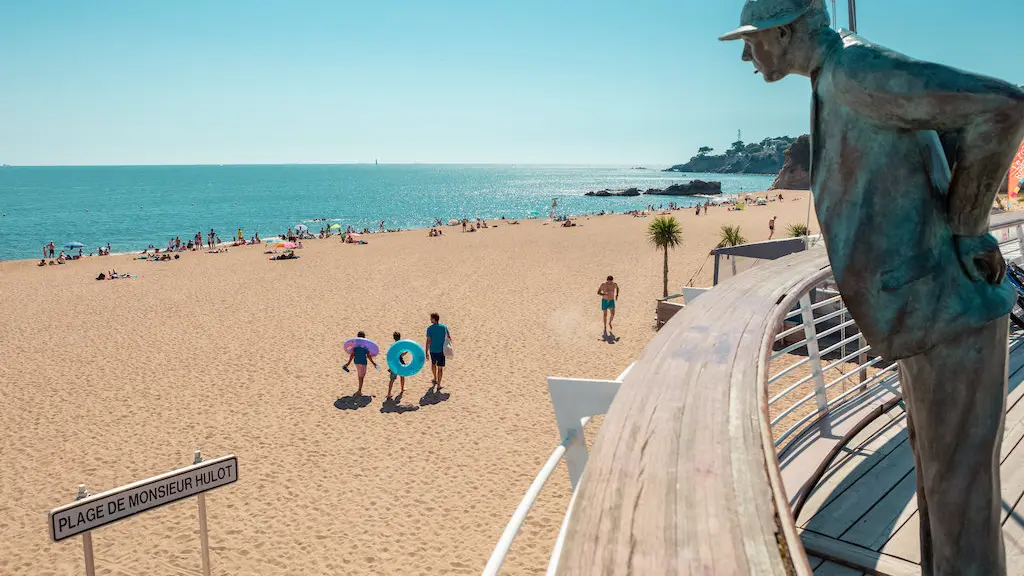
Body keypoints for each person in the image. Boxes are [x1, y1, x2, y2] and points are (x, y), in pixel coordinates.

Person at [721, 2, 1024, 573]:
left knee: (960, 507)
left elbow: (1004, 108)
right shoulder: (833, 74)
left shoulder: (856, 71)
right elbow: (953, 130)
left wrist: (966, 228)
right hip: (926, 314)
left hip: (951, 314)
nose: (745, 53)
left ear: (784, 32)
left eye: (752, 39)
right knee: (942, 495)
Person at [342, 331, 378, 396]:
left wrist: (348, 364)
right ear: (364, 338)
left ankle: (359, 390)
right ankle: (359, 391)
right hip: (363, 362)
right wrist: (374, 363)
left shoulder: (355, 346)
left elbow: (352, 355)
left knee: (360, 375)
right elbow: (369, 356)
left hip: (356, 362)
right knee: (362, 377)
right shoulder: (365, 347)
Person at [425, 313, 451, 391]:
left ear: (434, 319)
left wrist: (426, 351)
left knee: (433, 364)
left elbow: (428, 341)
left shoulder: (429, 328)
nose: (430, 320)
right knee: (440, 368)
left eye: (431, 318)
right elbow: (449, 338)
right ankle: (439, 384)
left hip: (433, 350)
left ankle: (435, 378)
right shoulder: (444, 327)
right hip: (441, 350)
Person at [387, 331, 407, 399]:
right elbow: (401, 354)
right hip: (400, 363)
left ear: (394, 338)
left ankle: (389, 393)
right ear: (400, 338)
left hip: (394, 364)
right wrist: (406, 352)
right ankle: (402, 389)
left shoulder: (392, 346)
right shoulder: (400, 346)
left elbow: (390, 355)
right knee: (402, 376)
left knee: (392, 379)